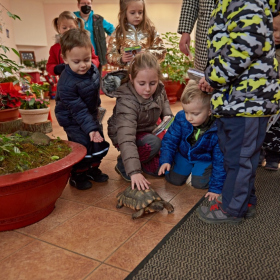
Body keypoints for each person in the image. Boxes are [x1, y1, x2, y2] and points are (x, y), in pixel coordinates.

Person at [196, 0, 280, 224]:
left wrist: (213, 76)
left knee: (239, 158)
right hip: (237, 100)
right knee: (237, 156)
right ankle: (245, 200)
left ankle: (233, 210)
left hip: (247, 101)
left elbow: (244, 46)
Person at [101, 52, 173, 190]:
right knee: (154, 143)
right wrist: (134, 172)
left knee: (160, 169)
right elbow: (126, 138)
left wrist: (167, 115)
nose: (147, 89)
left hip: (146, 129)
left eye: (153, 83)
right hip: (124, 135)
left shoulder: (158, 87)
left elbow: (163, 100)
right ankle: (123, 164)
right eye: (142, 83)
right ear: (131, 79)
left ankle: (145, 160)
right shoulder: (127, 102)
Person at [55, 28, 109, 190]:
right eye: (76, 62)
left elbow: (93, 89)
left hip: (90, 114)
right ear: (65, 59)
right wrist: (91, 128)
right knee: (82, 144)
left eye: (86, 59)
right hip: (72, 118)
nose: (83, 65)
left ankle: (93, 168)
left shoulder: (92, 69)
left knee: (96, 142)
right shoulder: (66, 84)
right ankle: (77, 174)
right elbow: (77, 109)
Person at [158, 80, 225, 202]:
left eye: (195, 113)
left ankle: (204, 171)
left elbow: (219, 159)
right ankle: (179, 166)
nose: (189, 117)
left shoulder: (217, 128)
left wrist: (216, 188)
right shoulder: (181, 117)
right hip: (184, 155)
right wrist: (165, 160)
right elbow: (170, 140)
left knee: (199, 184)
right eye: (186, 111)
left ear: (210, 110)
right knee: (174, 180)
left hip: (204, 158)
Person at [106, 0, 166, 69]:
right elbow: (109, 55)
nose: (137, 16)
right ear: (124, 13)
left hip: (147, 72)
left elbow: (162, 51)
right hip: (127, 75)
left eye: (140, 12)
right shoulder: (118, 33)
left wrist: (147, 54)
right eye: (132, 13)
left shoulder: (151, 31)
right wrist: (121, 59)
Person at [46, 11, 99, 76]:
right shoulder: (55, 48)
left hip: (86, 78)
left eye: (71, 27)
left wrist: (90, 63)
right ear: (58, 27)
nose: (68, 30)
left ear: (76, 26)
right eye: (64, 28)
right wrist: (57, 69)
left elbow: (95, 59)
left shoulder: (86, 44)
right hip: (66, 80)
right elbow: (50, 65)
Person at [260, 14, 280, 171]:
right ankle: (259, 154)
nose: (278, 35)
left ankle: (274, 157)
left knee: (276, 130)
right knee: (260, 128)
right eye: (274, 30)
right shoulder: (260, 48)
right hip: (262, 99)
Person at [74, 0, 115, 70]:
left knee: (96, 79)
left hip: (96, 58)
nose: (86, 5)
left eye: (88, 3)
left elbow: (112, 30)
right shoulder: (73, 18)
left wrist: (105, 41)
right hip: (78, 58)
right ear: (78, 5)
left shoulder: (98, 19)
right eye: (83, 3)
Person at [177, 0, 215, 71]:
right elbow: (191, 2)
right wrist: (185, 31)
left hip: (235, 29)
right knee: (203, 74)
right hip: (204, 31)